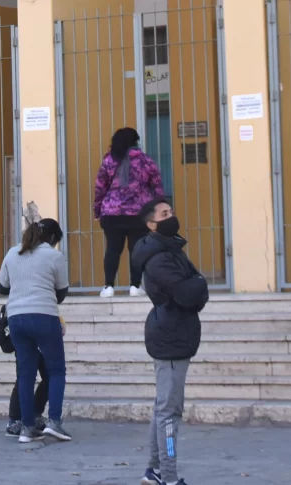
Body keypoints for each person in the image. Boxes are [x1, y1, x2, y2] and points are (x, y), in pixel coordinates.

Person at [132, 198, 208, 485]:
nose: (171, 216)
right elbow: (189, 292)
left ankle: (154, 470)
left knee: (163, 407)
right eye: (165, 214)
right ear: (151, 224)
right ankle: (170, 476)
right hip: (171, 338)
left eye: (172, 212)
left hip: (174, 332)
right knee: (169, 412)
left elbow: (192, 286)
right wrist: (199, 282)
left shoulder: (168, 249)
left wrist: (196, 282)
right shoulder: (161, 257)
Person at [0, 214, 72, 443]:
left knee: (26, 374)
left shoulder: (12, 252)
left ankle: (27, 428)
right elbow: (61, 293)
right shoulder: (54, 256)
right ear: (51, 238)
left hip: (16, 318)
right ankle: (55, 422)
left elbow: (2, 287)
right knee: (57, 370)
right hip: (44, 317)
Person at [93, 127, 165, 298]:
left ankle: (108, 287)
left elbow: (100, 189)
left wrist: (97, 211)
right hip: (138, 214)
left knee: (112, 249)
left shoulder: (109, 161)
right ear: (135, 142)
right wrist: (159, 209)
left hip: (111, 214)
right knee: (136, 250)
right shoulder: (146, 161)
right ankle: (135, 286)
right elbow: (157, 187)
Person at [0, 304, 50, 437]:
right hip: (22, 325)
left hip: (40, 326)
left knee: (50, 375)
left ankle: (34, 414)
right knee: (24, 377)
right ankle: (14, 421)